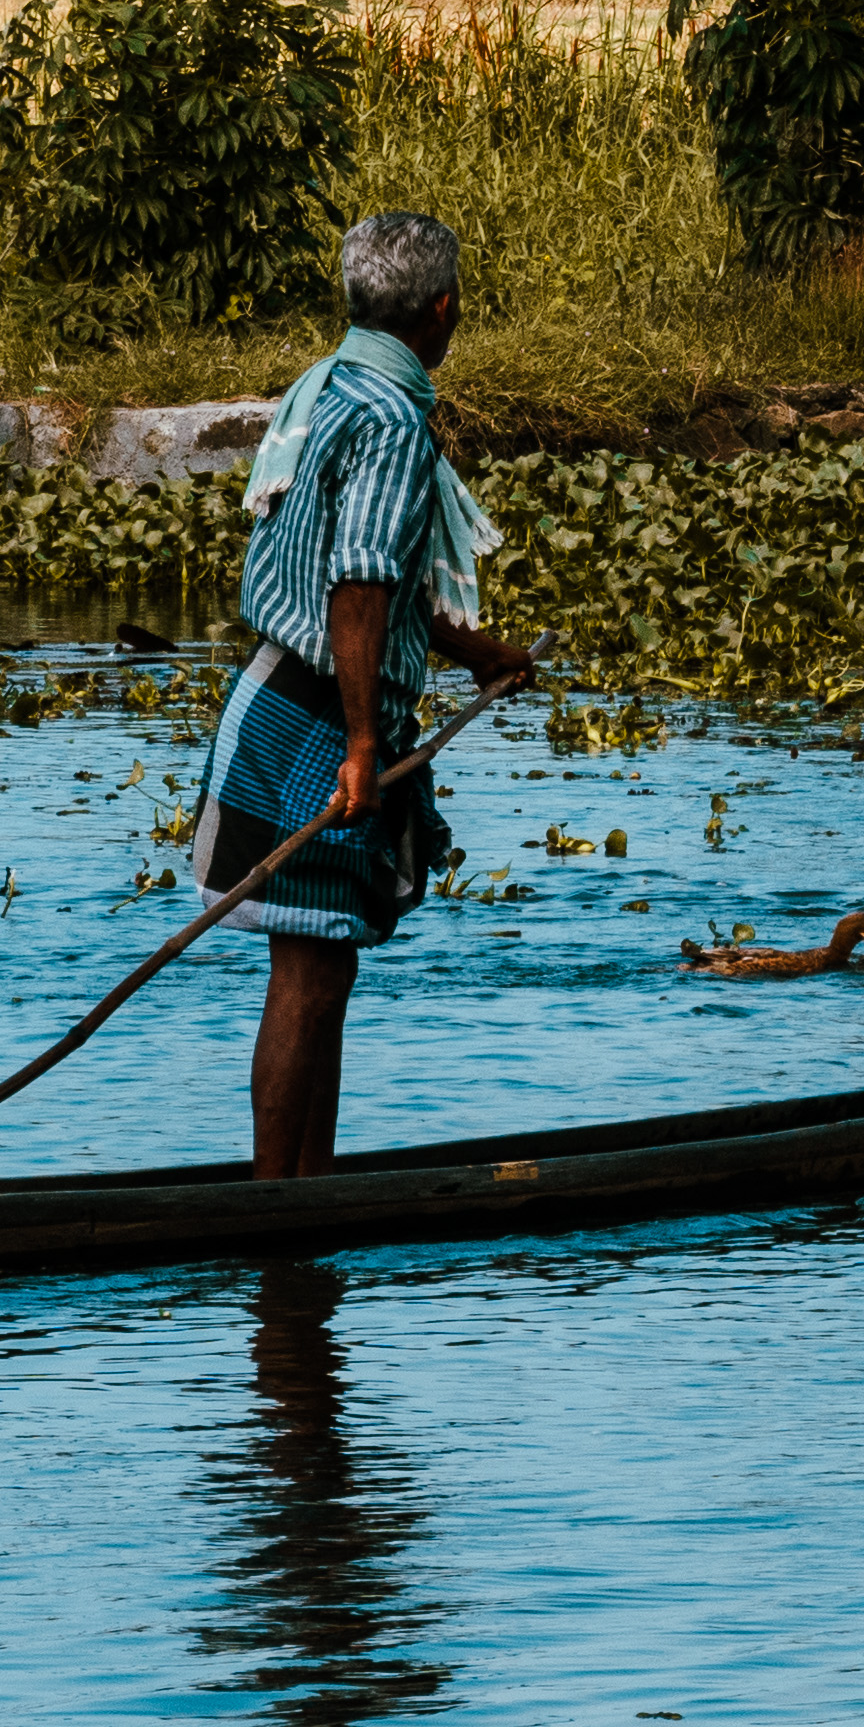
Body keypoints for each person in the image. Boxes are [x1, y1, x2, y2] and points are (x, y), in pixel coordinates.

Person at [198, 212, 536, 1177]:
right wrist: (358, 744)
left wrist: (475, 651)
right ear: (440, 311)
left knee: (325, 961)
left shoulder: (335, 383)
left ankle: (310, 1189)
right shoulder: (389, 418)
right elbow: (356, 585)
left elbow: (377, 580)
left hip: (281, 697)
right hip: (311, 719)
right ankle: (278, 1208)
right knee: (306, 971)